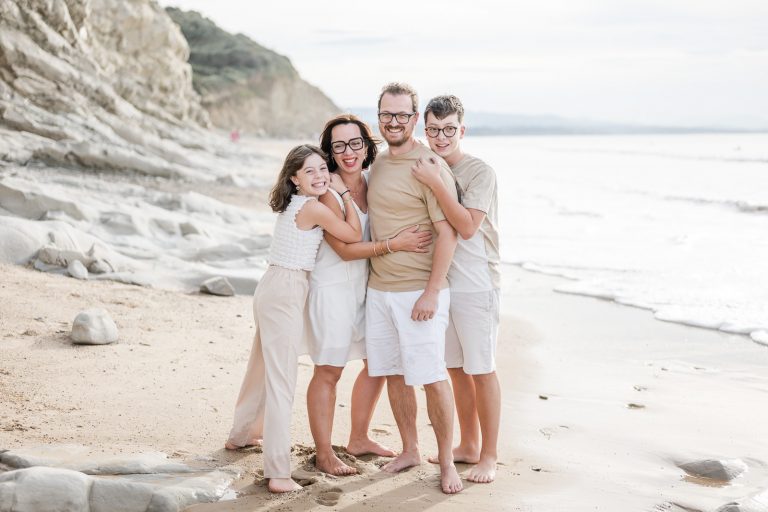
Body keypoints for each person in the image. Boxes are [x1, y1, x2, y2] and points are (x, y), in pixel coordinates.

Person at [225, 144, 362, 493]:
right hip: (285, 289)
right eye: (310, 172)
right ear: (294, 179)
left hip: (274, 285)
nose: (319, 176)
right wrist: (342, 190)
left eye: (322, 169)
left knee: (261, 366)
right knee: (282, 381)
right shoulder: (314, 207)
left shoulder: (293, 204)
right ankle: (278, 472)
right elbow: (354, 234)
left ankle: (241, 435)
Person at [306, 114, 434, 475]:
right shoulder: (327, 193)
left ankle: (358, 438)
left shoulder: (371, 179)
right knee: (328, 372)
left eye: (355, 143)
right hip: (332, 289)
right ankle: (324, 453)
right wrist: (395, 244)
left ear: (367, 144)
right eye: (339, 146)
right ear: (331, 151)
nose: (348, 152)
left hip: (365, 288)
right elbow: (346, 250)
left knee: (375, 364)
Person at [365, 82, 463, 494]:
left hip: (417, 291)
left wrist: (432, 291)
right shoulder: (379, 164)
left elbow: (449, 234)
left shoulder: (429, 164)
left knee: (431, 376)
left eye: (402, 115)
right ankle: (409, 449)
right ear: (379, 115)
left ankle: (446, 463)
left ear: (414, 118)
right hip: (379, 289)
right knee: (393, 373)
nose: (393, 122)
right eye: (387, 114)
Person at [411, 95, 501, 483]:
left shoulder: (480, 172)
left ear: (461, 130)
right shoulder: (424, 164)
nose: (442, 136)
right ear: (425, 129)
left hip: (477, 284)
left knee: (482, 370)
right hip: (443, 284)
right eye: (434, 129)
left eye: (449, 130)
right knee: (455, 369)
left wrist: (435, 180)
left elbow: (466, 227)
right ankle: (467, 445)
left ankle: (490, 456)